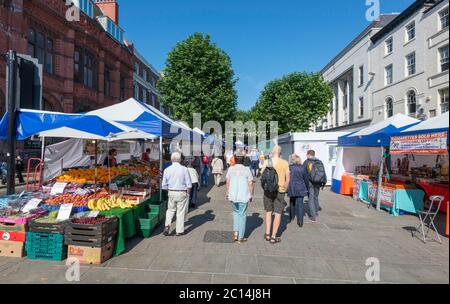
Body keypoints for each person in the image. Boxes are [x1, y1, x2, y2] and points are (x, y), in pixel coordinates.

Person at [260, 145, 290, 244]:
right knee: (278, 213)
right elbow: (288, 179)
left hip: (268, 190)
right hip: (280, 190)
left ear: (272, 152)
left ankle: (267, 234)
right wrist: (284, 189)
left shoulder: (267, 161)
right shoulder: (285, 163)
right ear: (280, 153)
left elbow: (262, 176)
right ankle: (273, 237)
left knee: (268, 211)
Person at [162, 152, 192, 236]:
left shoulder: (167, 170)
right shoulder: (184, 169)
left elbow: (164, 185)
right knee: (180, 212)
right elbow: (189, 184)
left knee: (170, 210)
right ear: (180, 160)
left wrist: (169, 190)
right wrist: (188, 194)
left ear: (171, 159)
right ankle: (179, 230)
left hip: (171, 192)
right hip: (182, 192)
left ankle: (167, 225)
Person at [226, 154, 254, 243]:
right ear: (243, 160)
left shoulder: (231, 169)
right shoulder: (247, 170)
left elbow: (227, 182)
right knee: (242, 215)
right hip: (243, 195)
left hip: (233, 195)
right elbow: (250, 183)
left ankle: (235, 236)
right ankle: (240, 237)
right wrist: (251, 194)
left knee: (236, 214)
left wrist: (227, 192)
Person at [303, 150, 327, 220]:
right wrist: (324, 182)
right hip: (318, 183)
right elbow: (323, 173)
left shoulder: (306, 162)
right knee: (316, 197)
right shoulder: (319, 162)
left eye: (307, 154)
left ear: (308, 154)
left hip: (310, 183)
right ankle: (316, 212)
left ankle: (313, 216)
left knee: (311, 199)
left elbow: (303, 173)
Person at [287, 154, 310, 227]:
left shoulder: (290, 167)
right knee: (300, 204)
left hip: (292, 187)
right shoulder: (303, 168)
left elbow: (287, 178)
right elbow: (306, 179)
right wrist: (307, 187)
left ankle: (291, 217)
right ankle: (300, 222)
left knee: (292, 202)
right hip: (301, 187)